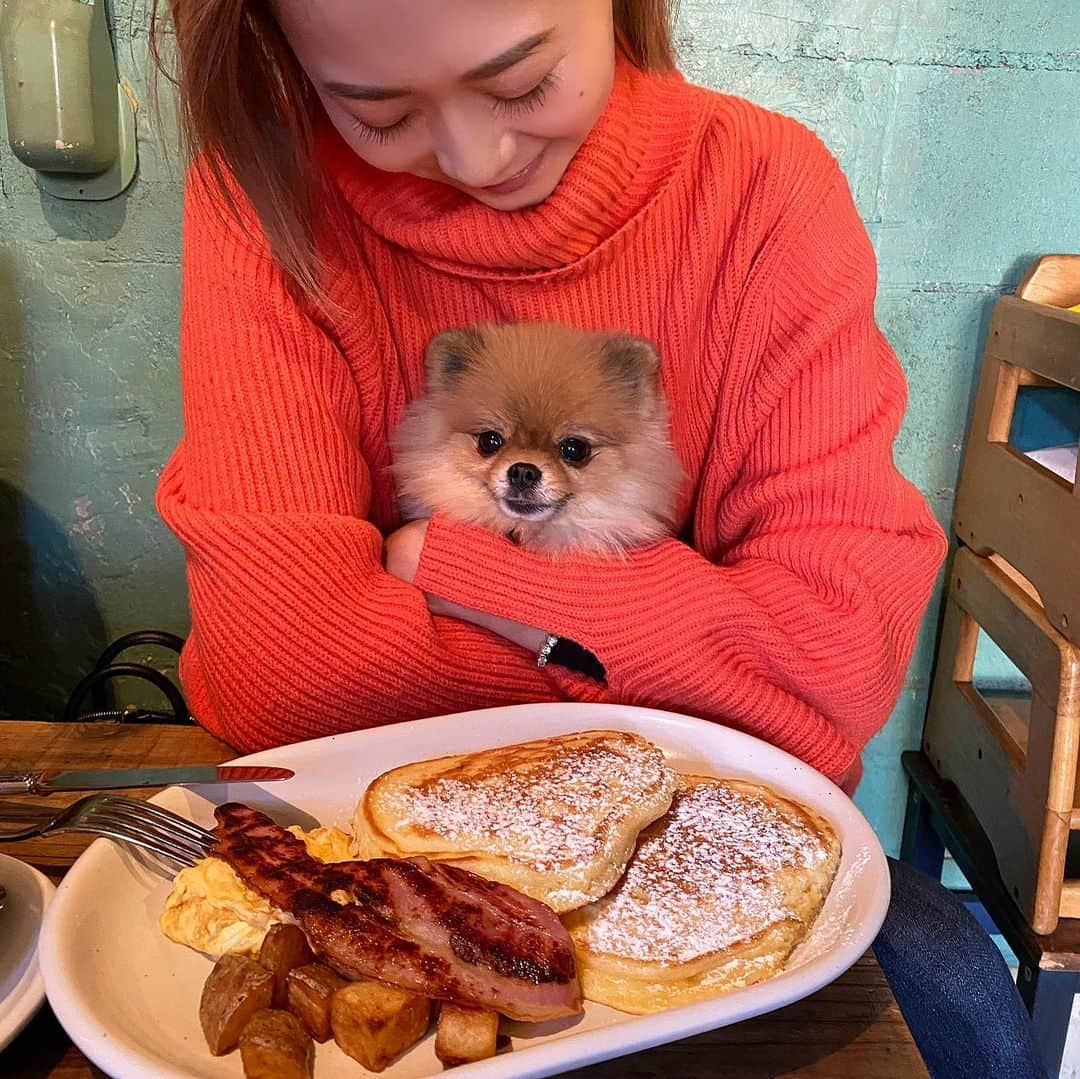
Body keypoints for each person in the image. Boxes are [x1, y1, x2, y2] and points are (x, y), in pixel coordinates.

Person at [151, 2, 1047, 1075]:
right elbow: (281, 681)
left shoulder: (762, 193)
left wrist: (445, 568)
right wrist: (688, 658)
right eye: (374, 109)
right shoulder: (265, 195)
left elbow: (831, 672)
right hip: (371, 861)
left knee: (967, 1006)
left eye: (523, 84)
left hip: (705, 859)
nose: (473, 156)